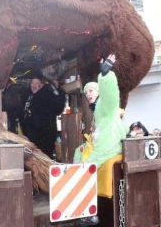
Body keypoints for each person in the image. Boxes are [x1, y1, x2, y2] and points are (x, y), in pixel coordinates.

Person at [73, 54, 128, 227]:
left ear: (98, 91)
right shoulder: (96, 111)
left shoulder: (105, 104)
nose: (88, 94)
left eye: (91, 91)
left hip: (110, 147)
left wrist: (105, 75)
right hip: (102, 146)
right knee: (78, 152)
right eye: (86, 92)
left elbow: (111, 95)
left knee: (83, 168)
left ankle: (88, 212)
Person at [19, 74, 66, 159]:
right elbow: (21, 113)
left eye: (37, 83)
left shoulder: (47, 96)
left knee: (44, 158)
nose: (34, 86)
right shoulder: (26, 96)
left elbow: (59, 107)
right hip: (29, 134)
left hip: (44, 135)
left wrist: (56, 89)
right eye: (32, 83)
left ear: (41, 85)